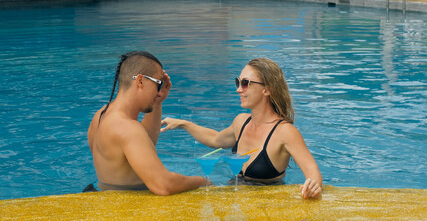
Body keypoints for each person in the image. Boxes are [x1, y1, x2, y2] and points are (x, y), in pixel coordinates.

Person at [161, 57, 322, 199]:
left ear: (267, 89)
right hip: (235, 199)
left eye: (246, 84)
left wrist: (312, 187)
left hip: (266, 206)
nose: (238, 89)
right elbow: (215, 139)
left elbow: (312, 170)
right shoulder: (241, 122)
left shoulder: (284, 132)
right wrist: (184, 124)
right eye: (238, 82)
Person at [84, 51, 206, 195]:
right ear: (140, 81)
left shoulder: (100, 116)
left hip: (104, 197)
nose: (159, 90)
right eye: (158, 84)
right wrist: (203, 181)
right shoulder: (127, 128)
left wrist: (157, 101)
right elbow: (163, 185)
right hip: (125, 207)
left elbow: (143, 145)